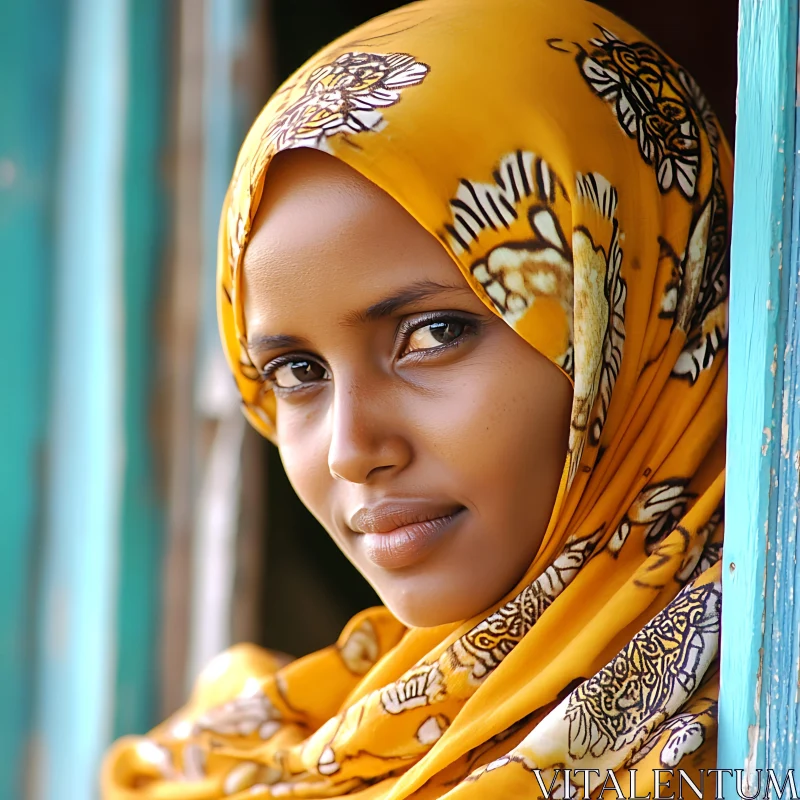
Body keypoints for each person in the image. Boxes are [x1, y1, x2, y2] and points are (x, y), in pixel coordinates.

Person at [102, 0, 730, 796]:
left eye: (433, 333)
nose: (351, 449)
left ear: (633, 315)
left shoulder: (731, 746)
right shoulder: (252, 756)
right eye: (298, 372)